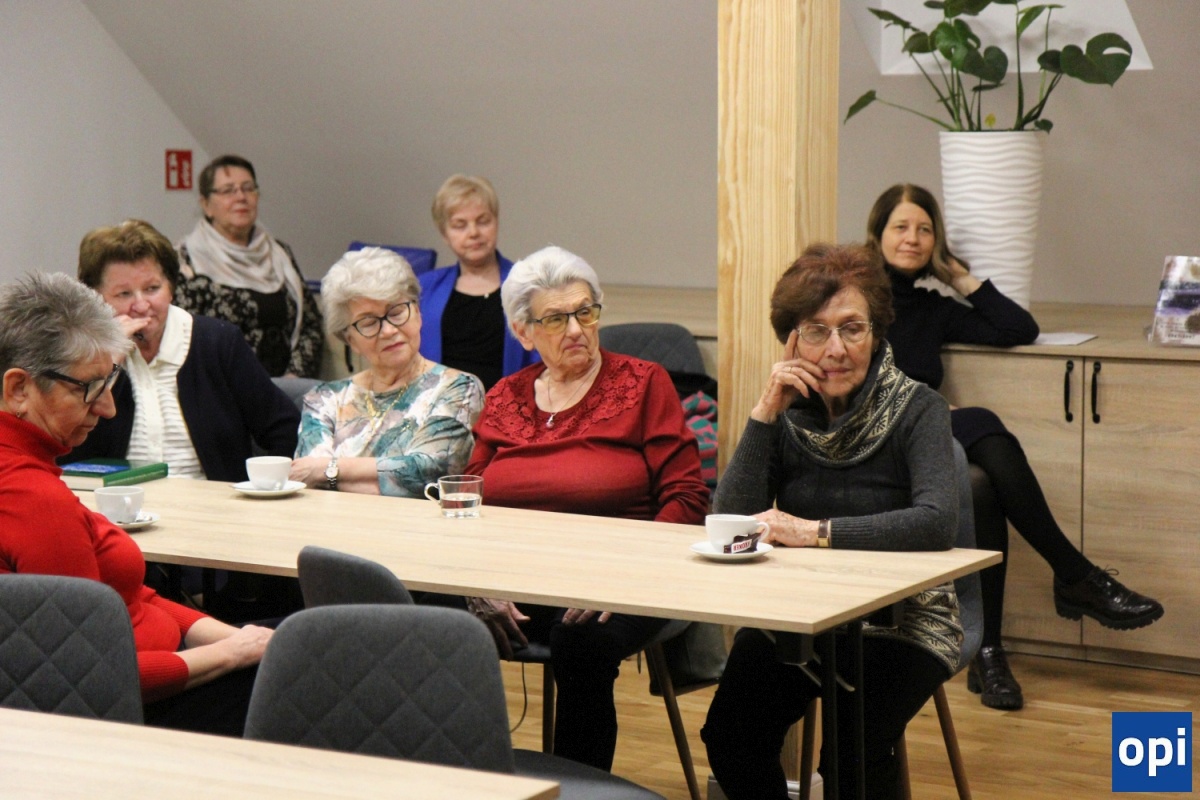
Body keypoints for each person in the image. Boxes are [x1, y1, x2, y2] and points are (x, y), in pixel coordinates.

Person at [866, 183, 1163, 710]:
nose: (913, 238)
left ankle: (988, 651)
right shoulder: (857, 297)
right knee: (982, 421)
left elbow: (1017, 327)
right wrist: (923, 406)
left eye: (925, 230)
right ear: (877, 234)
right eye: (901, 227)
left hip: (921, 435)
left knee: (981, 486)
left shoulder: (933, 307)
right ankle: (1075, 575)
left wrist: (958, 276)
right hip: (871, 436)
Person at [701, 243, 961, 799]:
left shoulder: (919, 408)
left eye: (852, 328)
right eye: (817, 331)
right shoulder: (788, 414)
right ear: (792, 340)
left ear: (877, 333)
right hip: (800, 613)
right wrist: (765, 412)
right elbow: (728, 521)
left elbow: (936, 522)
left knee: (852, 750)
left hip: (903, 619)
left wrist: (815, 533)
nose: (836, 349)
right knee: (731, 736)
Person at [461, 245, 709, 771]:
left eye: (585, 312)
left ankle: (579, 785)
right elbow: (467, 498)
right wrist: (475, 582)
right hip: (514, 580)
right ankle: (455, 775)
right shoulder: (505, 396)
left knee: (582, 640)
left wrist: (620, 580)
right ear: (524, 332)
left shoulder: (644, 383)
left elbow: (687, 497)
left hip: (622, 581)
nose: (576, 329)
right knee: (417, 614)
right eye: (556, 318)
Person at [0, 271, 272, 736]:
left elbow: (131, 598)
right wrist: (232, 653)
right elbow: (90, 677)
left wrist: (241, 640)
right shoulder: (31, 498)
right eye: (89, 388)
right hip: (141, 710)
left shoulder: (28, 472)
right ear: (19, 389)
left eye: (111, 381)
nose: (107, 408)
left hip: (162, 665)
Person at [68, 219, 300, 481]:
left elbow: (285, 429)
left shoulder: (218, 343)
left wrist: (265, 489)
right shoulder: (84, 353)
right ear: (97, 298)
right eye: (124, 294)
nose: (141, 306)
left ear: (171, 289)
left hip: (211, 502)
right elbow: (66, 444)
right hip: (112, 501)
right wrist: (109, 364)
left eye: (152, 289)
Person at [290, 247, 484, 496]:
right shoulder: (325, 399)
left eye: (396, 312)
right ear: (350, 340)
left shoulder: (459, 388)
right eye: (369, 322)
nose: (389, 330)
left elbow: (427, 475)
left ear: (418, 313)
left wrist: (328, 470)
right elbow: (308, 480)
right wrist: (389, 480)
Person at [176, 154, 324, 378]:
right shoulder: (186, 261)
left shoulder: (279, 253)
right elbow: (185, 341)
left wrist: (293, 377)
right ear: (206, 205)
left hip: (287, 387)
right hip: (222, 389)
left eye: (248, 188)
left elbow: (310, 325)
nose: (241, 197)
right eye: (228, 190)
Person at [418, 174, 539, 390]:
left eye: (483, 221)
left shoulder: (528, 286)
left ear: (496, 222)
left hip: (510, 406)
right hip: (439, 406)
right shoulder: (424, 289)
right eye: (460, 225)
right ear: (444, 233)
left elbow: (541, 363)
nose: (473, 233)